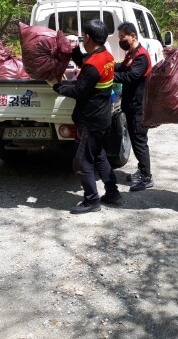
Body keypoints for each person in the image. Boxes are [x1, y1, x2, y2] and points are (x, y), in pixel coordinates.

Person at [49, 19, 121, 214]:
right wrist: (74, 52)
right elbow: (89, 67)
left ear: (88, 37)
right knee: (98, 155)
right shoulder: (106, 57)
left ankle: (92, 200)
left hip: (90, 120)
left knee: (82, 161)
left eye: (83, 36)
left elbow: (79, 90)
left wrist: (56, 86)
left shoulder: (93, 65)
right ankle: (112, 192)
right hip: (102, 117)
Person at [114, 22, 153, 191]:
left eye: (123, 37)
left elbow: (131, 76)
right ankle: (142, 170)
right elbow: (122, 67)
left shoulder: (141, 56)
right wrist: (107, 65)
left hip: (139, 106)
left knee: (139, 140)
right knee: (136, 138)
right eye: (119, 37)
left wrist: (109, 76)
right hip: (130, 104)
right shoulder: (131, 54)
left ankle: (146, 177)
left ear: (133, 36)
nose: (120, 40)